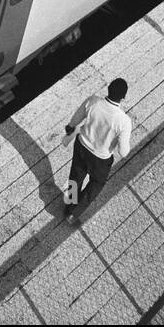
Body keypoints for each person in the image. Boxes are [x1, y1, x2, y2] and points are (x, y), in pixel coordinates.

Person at [63, 78, 132, 223]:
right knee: (96, 184)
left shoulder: (93, 101)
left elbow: (75, 119)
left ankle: (69, 205)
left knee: (75, 177)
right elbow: (124, 152)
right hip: (101, 159)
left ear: (108, 89)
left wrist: (70, 126)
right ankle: (73, 214)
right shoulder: (123, 121)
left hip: (81, 146)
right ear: (123, 97)